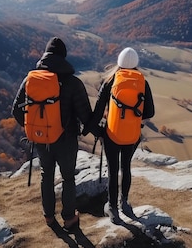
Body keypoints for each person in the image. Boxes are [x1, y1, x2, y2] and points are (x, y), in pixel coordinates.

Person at [12, 37, 93, 232]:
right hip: (66, 140)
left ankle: (49, 217)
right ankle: (69, 220)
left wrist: (33, 128)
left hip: (41, 139)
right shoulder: (73, 83)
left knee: (46, 175)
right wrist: (94, 130)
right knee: (68, 178)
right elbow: (86, 116)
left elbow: (16, 110)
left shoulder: (31, 79)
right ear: (63, 57)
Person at [89, 47, 155, 223]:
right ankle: (124, 202)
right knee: (126, 167)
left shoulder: (111, 81)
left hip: (112, 133)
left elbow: (97, 111)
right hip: (132, 135)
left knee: (113, 169)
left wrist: (94, 130)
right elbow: (150, 112)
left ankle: (112, 208)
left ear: (118, 62)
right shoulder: (142, 83)